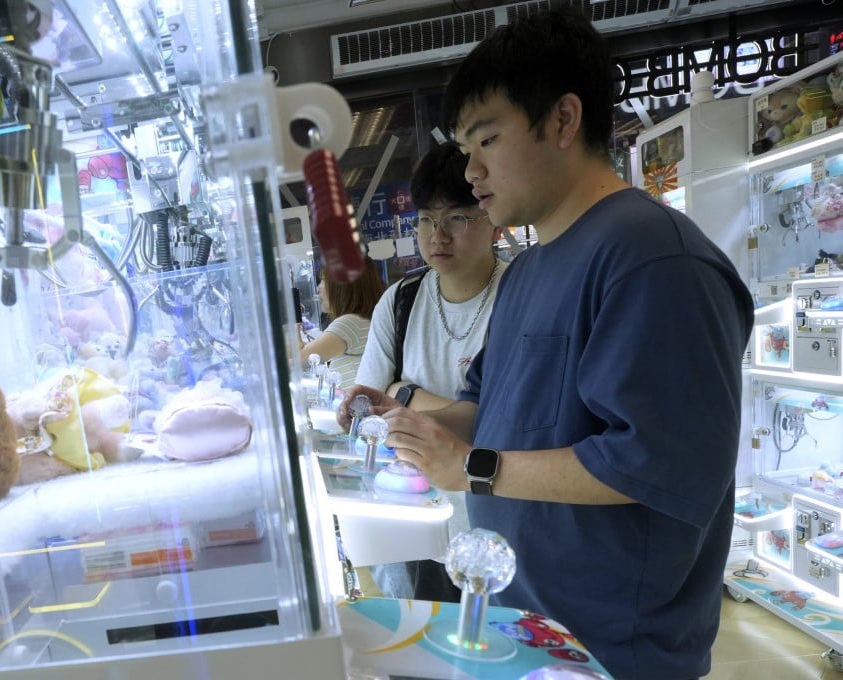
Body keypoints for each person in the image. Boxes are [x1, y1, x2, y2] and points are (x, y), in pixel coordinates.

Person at [337, 8, 753, 679]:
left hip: (612, 650)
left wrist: (472, 468)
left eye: (487, 140)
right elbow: (490, 406)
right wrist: (411, 425)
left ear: (562, 120)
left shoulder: (654, 261)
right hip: (523, 622)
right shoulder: (530, 269)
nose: (470, 171)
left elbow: (655, 461)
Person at [351, 141, 504, 603]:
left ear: (492, 219)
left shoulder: (520, 297)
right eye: (424, 219)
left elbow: (506, 419)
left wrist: (410, 394)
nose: (437, 236)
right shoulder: (400, 301)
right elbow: (369, 408)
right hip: (417, 523)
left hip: (498, 531)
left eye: (457, 218)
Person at [299, 256, 384, 391]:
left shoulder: (349, 323)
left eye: (324, 280)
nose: (318, 288)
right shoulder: (362, 321)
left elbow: (301, 360)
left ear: (343, 286)